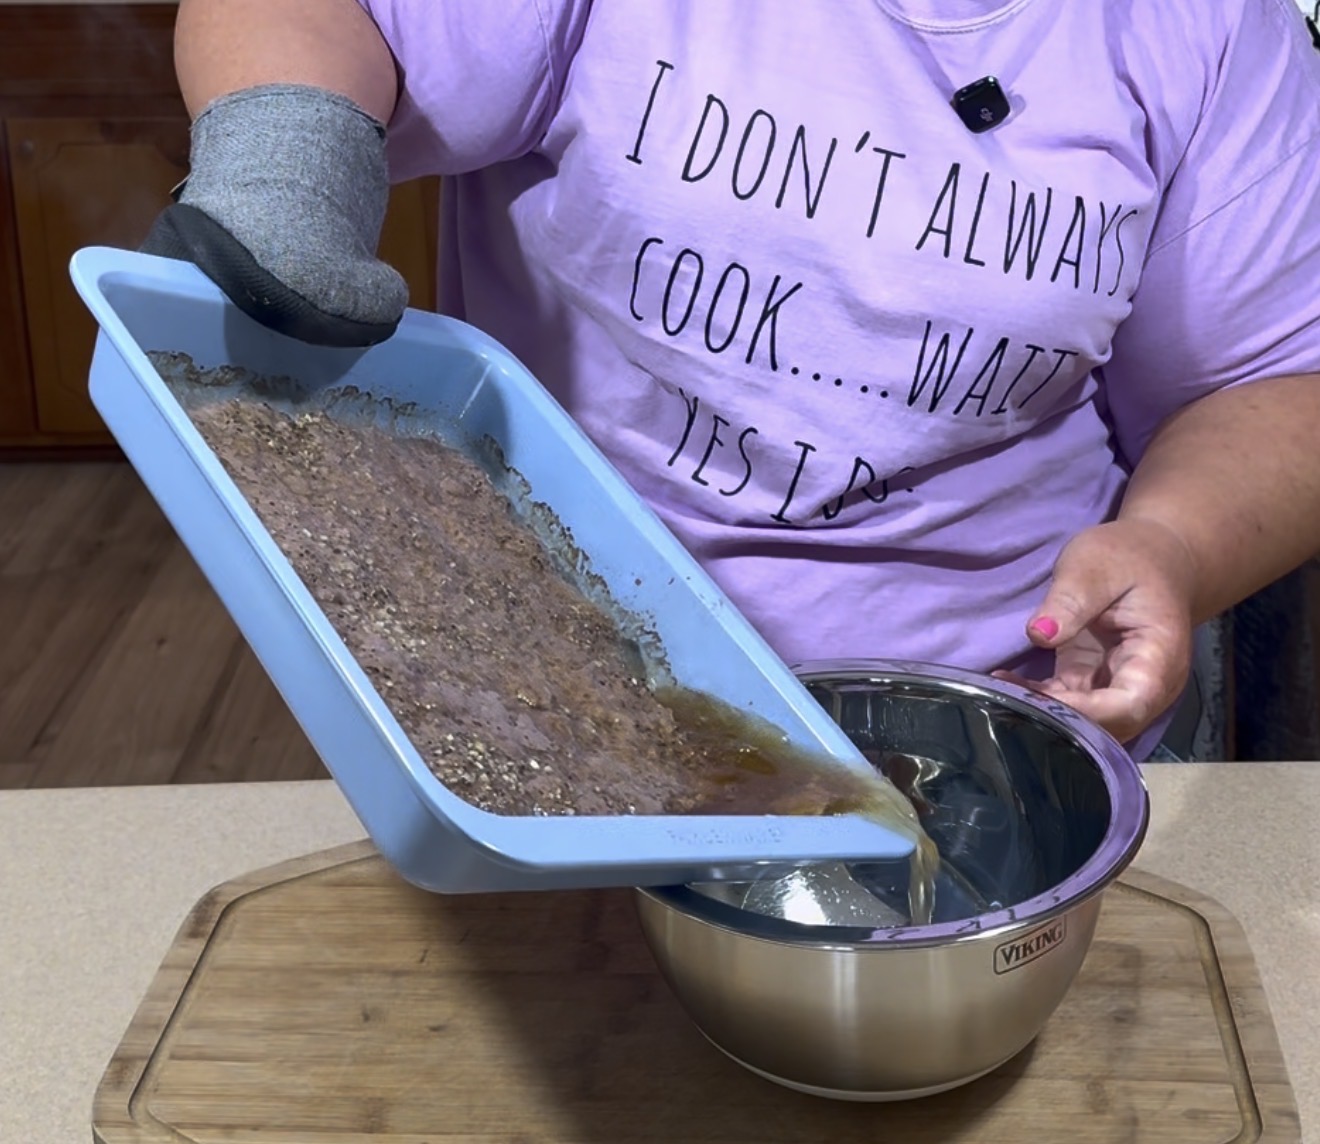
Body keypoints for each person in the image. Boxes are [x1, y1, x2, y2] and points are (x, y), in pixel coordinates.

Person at [143, 0, 1320, 760]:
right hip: (573, 692)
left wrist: (1171, 543)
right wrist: (285, 169)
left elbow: (1274, 377)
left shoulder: (1211, 35)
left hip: (1008, 726)